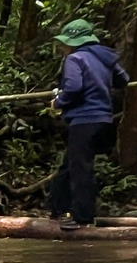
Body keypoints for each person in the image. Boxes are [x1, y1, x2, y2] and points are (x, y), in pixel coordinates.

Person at [45, 17, 129, 229]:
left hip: (84, 120)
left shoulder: (75, 59)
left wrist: (58, 102)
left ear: (73, 42)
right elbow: (123, 80)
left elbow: (73, 88)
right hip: (104, 120)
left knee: (81, 169)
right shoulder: (104, 58)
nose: (62, 47)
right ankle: (57, 208)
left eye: (64, 43)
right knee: (70, 165)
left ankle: (81, 217)